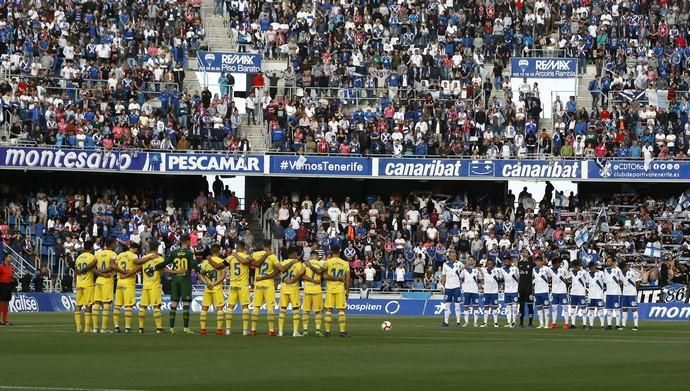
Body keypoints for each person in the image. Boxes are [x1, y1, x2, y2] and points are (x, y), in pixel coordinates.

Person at [210, 241, 253, 335]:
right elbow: (246, 261)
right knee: (245, 307)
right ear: (244, 248)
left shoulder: (230, 257)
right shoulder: (247, 256)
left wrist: (209, 260)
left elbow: (218, 266)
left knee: (230, 307)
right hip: (243, 285)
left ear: (238, 247)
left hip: (233, 285)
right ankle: (245, 330)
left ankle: (228, 329)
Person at [162, 234, 198, 334]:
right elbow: (194, 265)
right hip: (185, 280)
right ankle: (186, 328)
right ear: (187, 241)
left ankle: (172, 328)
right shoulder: (189, 253)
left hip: (175, 280)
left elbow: (165, 264)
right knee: (186, 303)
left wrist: (172, 272)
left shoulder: (174, 252)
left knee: (174, 303)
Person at [251, 240, 279, 336]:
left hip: (258, 283)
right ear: (270, 246)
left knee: (256, 307)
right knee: (270, 307)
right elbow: (278, 269)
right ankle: (271, 330)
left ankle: (253, 330)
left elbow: (251, 263)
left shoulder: (255, 254)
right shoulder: (273, 256)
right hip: (269, 284)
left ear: (263, 245)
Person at [199, 244, 227, 335]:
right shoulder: (222, 261)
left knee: (204, 308)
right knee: (219, 308)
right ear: (219, 251)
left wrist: (207, 283)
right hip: (217, 288)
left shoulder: (205, 262)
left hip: (208, 288)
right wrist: (214, 284)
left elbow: (201, 275)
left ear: (211, 251)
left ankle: (203, 329)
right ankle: (219, 329)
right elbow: (222, 277)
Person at [135, 247, 165, 333]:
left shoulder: (145, 258)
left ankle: (141, 328)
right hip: (154, 286)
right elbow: (164, 269)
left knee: (142, 307)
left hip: (145, 285)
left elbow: (137, 262)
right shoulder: (159, 258)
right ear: (156, 249)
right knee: (156, 306)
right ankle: (159, 328)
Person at [323, 245, 350, 337]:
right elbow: (347, 278)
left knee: (329, 310)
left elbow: (325, 276)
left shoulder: (327, 262)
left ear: (331, 251)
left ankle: (327, 332)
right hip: (340, 289)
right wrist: (348, 291)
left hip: (330, 288)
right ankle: (342, 332)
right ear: (339, 251)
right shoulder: (345, 263)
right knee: (341, 310)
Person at [113, 243, 139, 333]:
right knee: (128, 305)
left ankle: (116, 327)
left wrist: (121, 272)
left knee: (117, 305)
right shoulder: (134, 256)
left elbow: (115, 266)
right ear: (135, 249)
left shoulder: (120, 255)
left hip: (119, 282)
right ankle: (127, 328)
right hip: (129, 282)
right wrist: (127, 274)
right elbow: (138, 267)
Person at [278, 247, 304, 337]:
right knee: (296, 310)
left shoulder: (282, 263)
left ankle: (280, 332)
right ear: (293, 253)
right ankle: (295, 332)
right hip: (293, 289)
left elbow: (280, 271)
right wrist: (292, 280)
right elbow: (301, 273)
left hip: (283, 288)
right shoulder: (297, 263)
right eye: (295, 253)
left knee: (282, 310)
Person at [93, 238, 117, 333]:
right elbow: (112, 266)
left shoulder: (98, 254)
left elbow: (92, 267)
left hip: (98, 280)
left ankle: (95, 328)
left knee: (97, 303)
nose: (115, 245)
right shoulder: (113, 254)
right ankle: (104, 328)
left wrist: (100, 273)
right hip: (107, 280)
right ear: (111, 244)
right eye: (114, 244)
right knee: (106, 304)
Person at [73, 242, 97, 333]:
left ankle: (78, 327)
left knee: (78, 305)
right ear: (91, 248)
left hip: (79, 283)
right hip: (88, 284)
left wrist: (75, 281)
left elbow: (75, 271)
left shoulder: (79, 257)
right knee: (88, 305)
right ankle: (87, 328)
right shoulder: (92, 257)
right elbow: (92, 266)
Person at [302, 251, 325, 336]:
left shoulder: (305, 264)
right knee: (318, 312)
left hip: (307, 289)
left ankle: (305, 331)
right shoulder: (321, 264)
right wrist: (315, 280)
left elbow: (302, 276)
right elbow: (322, 274)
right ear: (317, 256)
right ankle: (318, 331)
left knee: (305, 311)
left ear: (311, 256)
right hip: (317, 290)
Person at [440, 249, 463, 327]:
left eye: (455, 256)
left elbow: (465, 272)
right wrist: (442, 286)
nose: (454, 257)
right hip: (448, 287)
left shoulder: (460, 264)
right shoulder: (445, 264)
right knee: (447, 305)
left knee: (457, 305)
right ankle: (446, 322)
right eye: (452, 256)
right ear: (449, 256)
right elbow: (444, 275)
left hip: (457, 287)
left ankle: (458, 322)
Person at [603, 257, 624, 330]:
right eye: (607, 261)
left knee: (617, 309)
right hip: (608, 292)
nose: (607, 262)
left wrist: (618, 283)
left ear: (613, 262)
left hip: (616, 293)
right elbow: (605, 280)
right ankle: (609, 325)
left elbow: (622, 280)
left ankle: (618, 325)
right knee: (609, 309)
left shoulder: (618, 270)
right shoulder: (605, 270)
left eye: (609, 261)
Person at [549, 258, 570, 329]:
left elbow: (569, 278)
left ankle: (566, 323)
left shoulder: (564, 270)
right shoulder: (550, 270)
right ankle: (554, 323)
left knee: (565, 307)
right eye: (554, 264)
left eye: (557, 263)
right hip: (554, 292)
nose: (556, 265)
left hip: (562, 291)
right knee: (554, 307)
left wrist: (565, 281)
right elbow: (548, 278)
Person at [479, 259, 501, 328]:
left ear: (493, 264)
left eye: (491, 264)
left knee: (495, 307)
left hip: (494, 292)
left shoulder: (497, 270)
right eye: (488, 264)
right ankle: (485, 322)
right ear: (486, 264)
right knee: (486, 307)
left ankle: (496, 323)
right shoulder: (484, 270)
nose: (489, 265)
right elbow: (477, 268)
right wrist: (482, 285)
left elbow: (501, 277)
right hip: (487, 292)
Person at [460, 257, 480, 327]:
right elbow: (461, 278)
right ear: (468, 261)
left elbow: (480, 280)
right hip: (467, 291)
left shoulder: (477, 270)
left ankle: (475, 322)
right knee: (466, 307)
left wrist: (480, 287)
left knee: (476, 307)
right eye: (469, 260)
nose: (471, 261)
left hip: (475, 291)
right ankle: (466, 322)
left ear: (475, 261)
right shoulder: (464, 270)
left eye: (472, 260)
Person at [532, 256, 552, 329]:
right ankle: (541, 324)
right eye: (536, 261)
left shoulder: (546, 269)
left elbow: (550, 277)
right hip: (537, 291)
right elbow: (533, 278)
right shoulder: (533, 269)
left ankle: (546, 324)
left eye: (539, 261)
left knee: (546, 308)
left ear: (542, 261)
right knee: (539, 308)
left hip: (544, 291)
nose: (537, 262)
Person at [620, 261, 641, 331]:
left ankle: (635, 325)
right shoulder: (621, 273)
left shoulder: (633, 271)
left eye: (624, 268)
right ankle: (623, 325)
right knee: (624, 309)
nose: (623, 270)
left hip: (632, 294)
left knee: (634, 309)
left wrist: (635, 291)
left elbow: (638, 281)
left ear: (625, 266)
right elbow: (621, 282)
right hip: (625, 294)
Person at [517, 249, 535, 328]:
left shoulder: (531, 263)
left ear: (528, 254)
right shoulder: (519, 263)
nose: (524, 253)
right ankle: (521, 322)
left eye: (526, 252)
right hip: (521, 287)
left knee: (530, 305)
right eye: (523, 252)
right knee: (521, 305)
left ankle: (530, 323)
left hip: (528, 287)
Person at [568, 260, 588, 329]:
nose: (575, 268)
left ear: (579, 265)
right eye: (574, 267)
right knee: (573, 308)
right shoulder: (571, 272)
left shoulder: (584, 272)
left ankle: (584, 324)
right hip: (573, 292)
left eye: (576, 266)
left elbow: (588, 280)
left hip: (581, 292)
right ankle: (573, 324)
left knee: (583, 308)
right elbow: (568, 279)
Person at [586, 261, 606, 329]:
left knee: (600, 309)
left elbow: (605, 281)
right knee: (591, 309)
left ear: (594, 266)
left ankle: (602, 325)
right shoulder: (588, 274)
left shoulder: (601, 273)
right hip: (591, 295)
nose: (590, 269)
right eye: (589, 268)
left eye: (591, 267)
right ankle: (591, 325)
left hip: (599, 295)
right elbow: (587, 283)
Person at [502, 256, 520, 328]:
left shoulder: (515, 269)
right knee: (508, 307)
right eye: (505, 261)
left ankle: (514, 321)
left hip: (514, 290)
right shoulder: (502, 270)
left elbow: (519, 278)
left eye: (508, 261)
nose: (506, 262)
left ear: (510, 261)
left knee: (514, 306)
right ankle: (508, 322)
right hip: (507, 291)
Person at [0, 254, 15, 326]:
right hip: (2, 286)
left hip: (8, 286)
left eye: (11, 257)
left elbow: (12, 276)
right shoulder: (1, 266)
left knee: (6, 304)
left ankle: (4, 320)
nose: (10, 258)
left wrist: (13, 280)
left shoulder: (11, 267)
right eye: (9, 257)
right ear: (5, 258)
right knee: (1, 303)